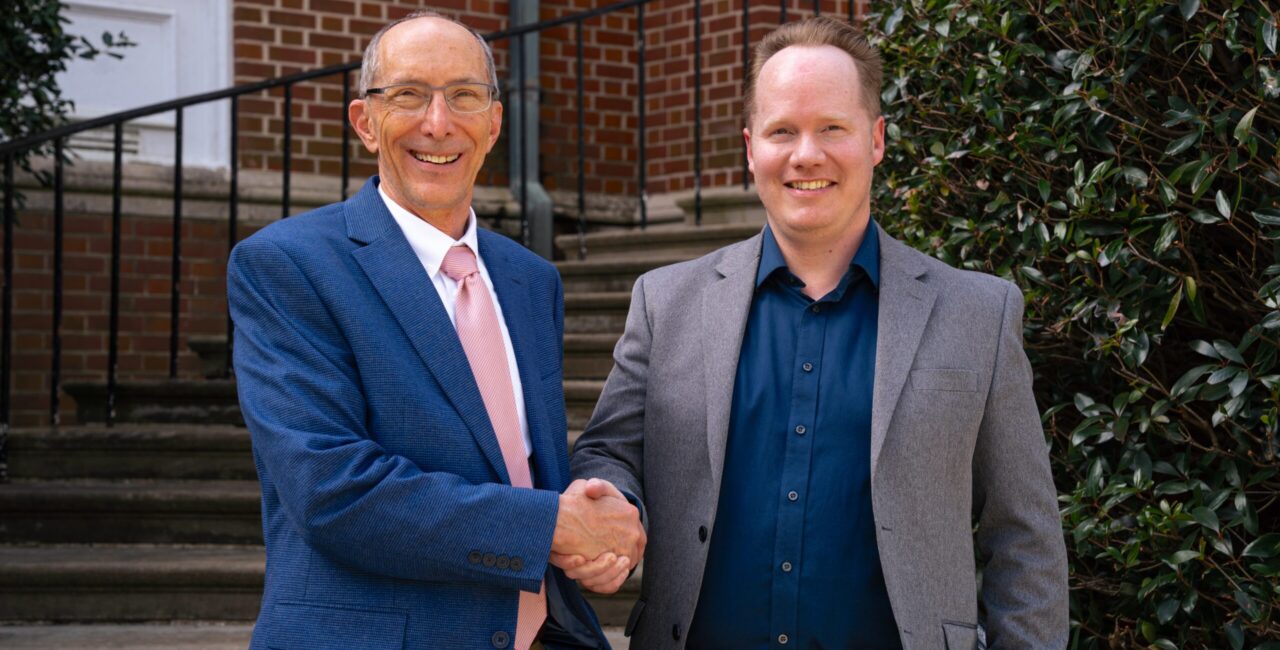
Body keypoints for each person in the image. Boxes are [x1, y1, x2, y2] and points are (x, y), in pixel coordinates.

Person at [570, 15, 1068, 650]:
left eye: (832, 127)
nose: (806, 154)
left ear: (877, 139)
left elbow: (1025, 537)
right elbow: (609, 450)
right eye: (783, 131)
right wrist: (608, 502)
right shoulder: (665, 303)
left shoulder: (978, 313)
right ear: (752, 148)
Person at [228, 11, 643, 650]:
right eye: (408, 95)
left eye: (464, 96)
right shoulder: (288, 265)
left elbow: (528, 465)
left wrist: (602, 525)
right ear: (365, 123)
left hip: (545, 633)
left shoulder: (532, 280)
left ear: (494, 124)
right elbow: (332, 489)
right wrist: (552, 528)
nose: (438, 122)